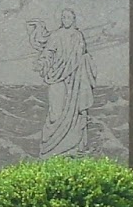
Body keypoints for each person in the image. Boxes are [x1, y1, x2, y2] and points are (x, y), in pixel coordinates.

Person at [26, 8, 95, 156]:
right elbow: (48, 53)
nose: (66, 19)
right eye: (63, 17)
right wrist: (41, 63)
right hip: (57, 76)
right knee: (55, 114)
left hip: (75, 79)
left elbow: (82, 56)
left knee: (75, 114)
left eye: (69, 17)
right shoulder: (56, 35)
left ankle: (72, 148)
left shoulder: (78, 36)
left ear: (73, 19)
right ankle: (50, 149)